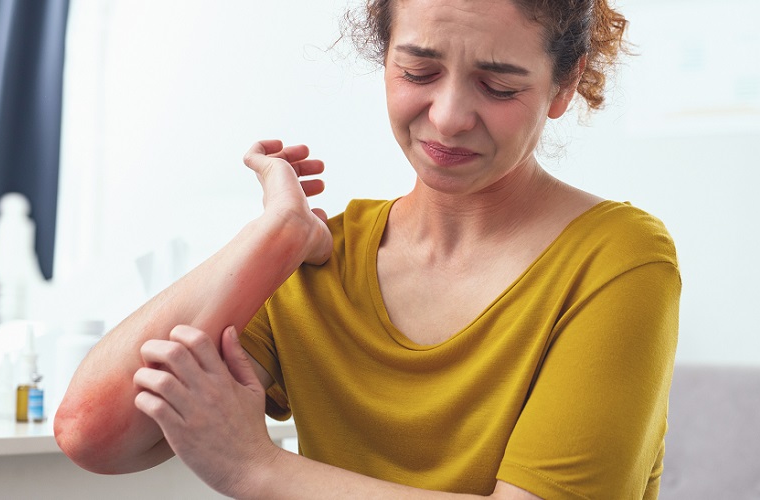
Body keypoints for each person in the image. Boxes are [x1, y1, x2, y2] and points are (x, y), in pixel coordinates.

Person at [53, 0, 680, 498]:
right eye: (419, 71)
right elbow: (95, 435)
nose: (449, 115)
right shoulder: (322, 259)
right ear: (384, 58)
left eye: (498, 86)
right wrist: (271, 239)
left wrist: (254, 469)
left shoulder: (619, 259)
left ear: (565, 86)